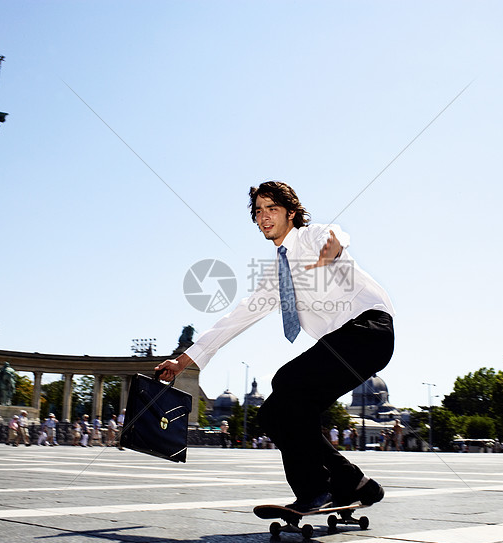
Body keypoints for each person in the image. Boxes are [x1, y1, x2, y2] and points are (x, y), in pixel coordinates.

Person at [156, 181, 394, 512]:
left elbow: (335, 235)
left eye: (272, 209)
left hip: (369, 330)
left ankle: (315, 490)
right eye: (258, 211)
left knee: (286, 381)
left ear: (291, 213)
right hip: (343, 345)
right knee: (273, 414)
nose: (264, 217)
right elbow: (238, 316)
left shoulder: (310, 237)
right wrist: (187, 358)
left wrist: (333, 249)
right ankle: (352, 482)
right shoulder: (276, 275)